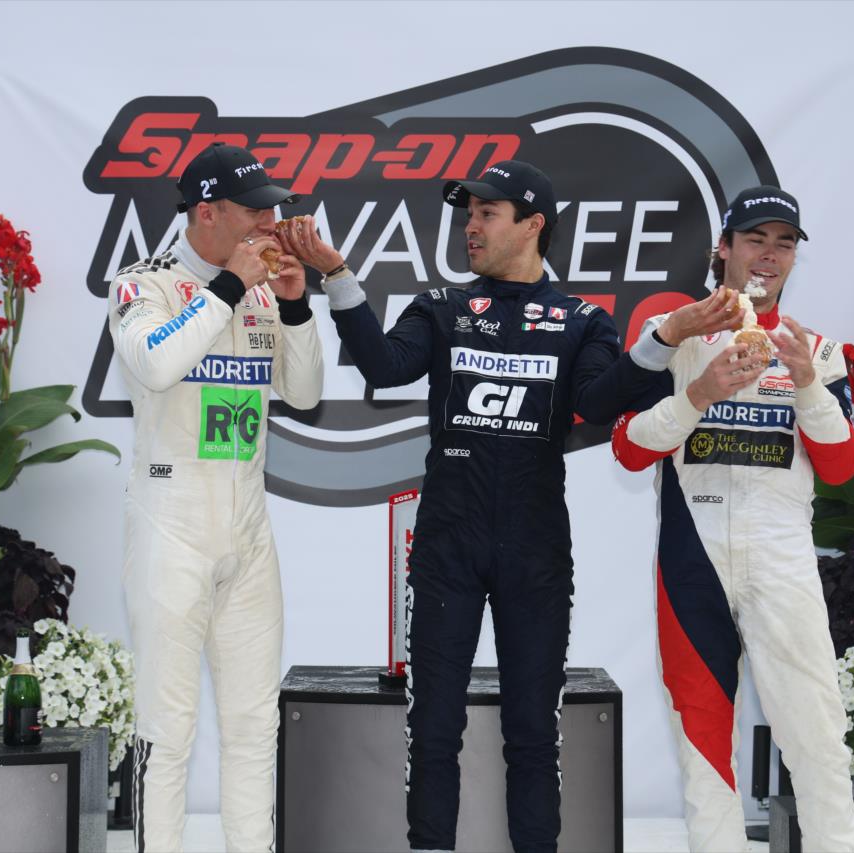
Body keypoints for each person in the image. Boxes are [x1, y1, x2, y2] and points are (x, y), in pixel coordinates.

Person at [277, 160, 647, 853]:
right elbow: (385, 365)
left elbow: (599, 403)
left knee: (533, 735)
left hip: (535, 552)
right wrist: (337, 274)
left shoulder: (583, 322)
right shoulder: (442, 306)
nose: (470, 226)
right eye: (467, 214)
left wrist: (661, 344)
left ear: (533, 225)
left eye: (487, 214)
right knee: (434, 730)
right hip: (448, 546)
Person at [610, 186, 854, 852]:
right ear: (723, 248)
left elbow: (842, 467)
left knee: (816, 732)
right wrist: (699, 393)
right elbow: (629, 448)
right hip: (693, 556)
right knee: (702, 740)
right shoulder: (675, 333)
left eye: (784, 242)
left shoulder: (817, 349)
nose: (769, 255)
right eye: (755, 239)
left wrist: (807, 384)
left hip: (781, 552)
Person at [107, 142, 323, 853]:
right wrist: (228, 286)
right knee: (166, 729)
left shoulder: (262, 289)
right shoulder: (144, 282)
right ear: (207, 211)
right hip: (171, 526)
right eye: (254, 209)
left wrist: (294, 304)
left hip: (248, 530)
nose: (270, 221)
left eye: (273, 208)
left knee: (255, 726)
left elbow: (305, 393)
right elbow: (156, 363)